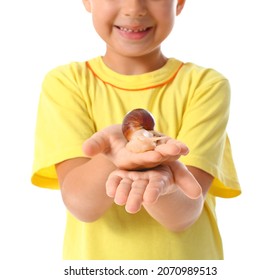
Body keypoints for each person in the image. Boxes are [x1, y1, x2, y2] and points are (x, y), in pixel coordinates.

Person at [31, 0, 241, 260]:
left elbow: (184, 214)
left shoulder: (205, 86)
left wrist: (166, 183)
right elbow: (81, 205)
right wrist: (114, 157)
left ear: (180, 3)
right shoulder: (66, 83)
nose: (133, 8)